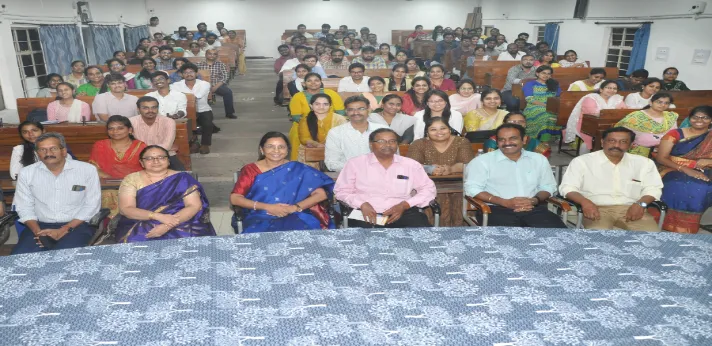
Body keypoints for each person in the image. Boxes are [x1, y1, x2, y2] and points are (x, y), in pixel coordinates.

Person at [11, 132, 101, 255]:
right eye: (43, 150)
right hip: (39, 226)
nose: (48, 153)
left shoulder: (87, 170)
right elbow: (24, 206)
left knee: (64, 259)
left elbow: (92, 205)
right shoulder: (27, 173)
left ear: (63, 151)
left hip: (76, 226)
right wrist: (39, 233)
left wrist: (64, 229)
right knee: (20, 259)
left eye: (53, 148)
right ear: (38, 153)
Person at [559, 127, 663, 232]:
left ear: (631, 145)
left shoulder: (644, 163)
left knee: (652, 238)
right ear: (602, 142)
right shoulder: (582, 162)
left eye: (623, 142)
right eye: (612, 141)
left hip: (633, 208)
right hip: (597, 209)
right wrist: (585, 202)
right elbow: (568, 187)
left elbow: (653, 189)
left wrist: (641, 204)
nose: (616, 145)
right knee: (600, 238)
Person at [464, 124, 566, 228]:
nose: (507, 143)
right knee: (507, 241)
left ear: (524, 139)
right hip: (496, 210)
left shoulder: (538, 159)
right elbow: (472, 189)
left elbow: (548, 186)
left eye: (513, 138)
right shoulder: (482, 161)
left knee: (560, 237)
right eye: (502, 140)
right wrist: (504, 202)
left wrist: (533, 200)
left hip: (532, 208)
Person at [230, 132, 335, 232]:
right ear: (262, 150)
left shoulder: (298, 169)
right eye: (270, 146)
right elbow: (235, 198)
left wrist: (294, 207)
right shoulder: (251, 170)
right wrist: (269, 207)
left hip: (296, 214)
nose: (276, 150)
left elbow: (321, 194)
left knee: (304, 235)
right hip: (261, 214)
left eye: (281, 147)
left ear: (287, 150)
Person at [334, 128, 436, 228]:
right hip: (364, 212)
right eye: (381, 141)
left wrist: (405, 205)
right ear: (371, 144)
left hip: (402, 211)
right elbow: (342, 191)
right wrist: (361, 204)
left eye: (392, 141)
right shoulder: (355, 164)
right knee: (362, 238)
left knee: (421, 232)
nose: (387, 145)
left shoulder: (411, 165)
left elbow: (428, 189)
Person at [116, 145, 214, 242]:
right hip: (142, 220)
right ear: (142, 162)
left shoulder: (183, 178)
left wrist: (167, 226)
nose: (156, 161)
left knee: (190, 238)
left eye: (161, 157)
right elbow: (126, 209)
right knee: (138, 239)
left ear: (168, 160)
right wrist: (158, 216)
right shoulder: (132, 179)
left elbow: (193, 206)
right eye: (149, 158)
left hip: (181, 220)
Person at [654, 106, 712, 233]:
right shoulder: (675, 134)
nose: (699, 120)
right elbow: (661, 158)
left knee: (707, 185)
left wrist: (708, 161)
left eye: (705, 117)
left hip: (707, 169)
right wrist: (687, 169)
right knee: (689, 185)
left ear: (711, 120)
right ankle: (677, 224)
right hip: (673, 168)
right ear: (689, 118)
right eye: (695, 117)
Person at [407, 117, 475, 226]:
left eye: (443, 128)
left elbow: (468, 164)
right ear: (427, 132)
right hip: (427, 184)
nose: (439, 132)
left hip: (458, 184)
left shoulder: (461, 141)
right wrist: (430, 169)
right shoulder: (418, 144)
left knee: (460, 197)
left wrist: (450, 169)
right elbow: (411, 166)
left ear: (450, 129)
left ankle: (459, 232)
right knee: (433, 196)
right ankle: (432, 231)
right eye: (433, 129)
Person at [89, 115, 147, 217]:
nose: (115, 132)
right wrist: (110, 179)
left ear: (130, 130)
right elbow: (93, 167)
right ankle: (109, 225)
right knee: (108, 195)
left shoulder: (141, 146)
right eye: (111, 128)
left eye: (120, 128)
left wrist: (128, 183)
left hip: (135, 186)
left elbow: (147, 169)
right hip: (106, 186)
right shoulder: (100, 145)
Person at [289, 72, 345, 160]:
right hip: (304, 124)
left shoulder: (331, 93)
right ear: (304, 83)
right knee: (297, 135)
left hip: (331, 123)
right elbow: (296, 116)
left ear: (321, 82)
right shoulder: (298, 96)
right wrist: (313, 124)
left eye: (316, 80)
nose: (313, 83)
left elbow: (340, 112)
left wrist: (331, 121)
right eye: (309, 81)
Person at [325, 95, 388, 171]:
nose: (356, 113)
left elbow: (393, 157)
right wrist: (360, 169)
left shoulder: (383, 130)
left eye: (361, 109)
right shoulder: (336, 132)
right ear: (346, 111)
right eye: (351, 109)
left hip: (380, 175)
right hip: (349, 176)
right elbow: (331, 163)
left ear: (368, 109)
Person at [564, 80, 626, 152]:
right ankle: (586, 157)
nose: (612, 90)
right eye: (608, 88)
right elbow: (592, 113)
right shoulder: (591, 98)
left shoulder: (617, 99)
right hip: (588, 124)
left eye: (614, 88)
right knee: (591, 138)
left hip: (609, 124)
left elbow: (623, 111)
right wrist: (611, 114)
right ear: (601, 89)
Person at [129, 96, 184, 170]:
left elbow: (167, 146)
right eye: (145, 108)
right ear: (138, 109)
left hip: (165, 155)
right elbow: (130, 144)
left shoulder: (168, 121)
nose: (150, 110)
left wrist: (145, 149)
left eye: (154, 107)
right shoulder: (131, 122)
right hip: (139, 156)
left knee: (181, 175)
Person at [171, 64, 215, 155]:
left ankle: (205, 144)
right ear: (181, 75)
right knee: (183, 124)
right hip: (184, 110)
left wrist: (183, 95)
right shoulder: (175, 85)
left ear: (196, 73)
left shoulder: (204, 84)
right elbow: (176, 97)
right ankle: (193, 142)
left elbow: (197, 96)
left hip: (202, 109)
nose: (189, 74)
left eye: (191, 72)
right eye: (185, 73)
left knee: (208, 124)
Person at [10, 121, 75, 181]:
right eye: (25, 132)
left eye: (34, 130)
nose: (30, 134)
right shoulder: (19, 149)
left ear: (43, 131)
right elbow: (15, 174)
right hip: (33, 184)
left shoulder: (57, 146)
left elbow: (70, 168)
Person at [297, 93, 347, 163]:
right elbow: (304, 139)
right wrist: (317, 145)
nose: (321, 107)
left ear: (330, 106)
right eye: (317, 104)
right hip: (311, 152)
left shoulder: (340, 119)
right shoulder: (305, 120)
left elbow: (344, 137)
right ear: (311, 106)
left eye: (325, 104)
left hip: (335, 151)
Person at [483, 113, 551, 158]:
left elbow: (544, 156)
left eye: (521, 122)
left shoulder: (531, 140)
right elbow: (490, 159)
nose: (517, 124)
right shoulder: (494, 140)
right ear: (504, 123)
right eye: (513, 122)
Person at [522, 65, 562, 142]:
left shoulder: (554, 84)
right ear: (537, 74)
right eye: (543, 73)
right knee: (546, 115)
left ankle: (550, 137)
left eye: (548, 74)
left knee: (557, 114)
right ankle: (545, 142)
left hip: (551, 107)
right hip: (534, 107)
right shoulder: (530, 84)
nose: (546, 75)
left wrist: (552, 106)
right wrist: (546, 106)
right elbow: (529, 99)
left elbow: (558, 97)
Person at [197, 48, 236, 119]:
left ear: (216, 56)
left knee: (228, 92)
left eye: (214, 54)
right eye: (210, 54)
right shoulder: (199, 65)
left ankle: (229, 113)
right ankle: (200, 114)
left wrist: (215, 87)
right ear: (206, 55)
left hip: (217, 85)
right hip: (202, 85)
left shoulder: (221, 64)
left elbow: (224, 77)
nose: (212, 56)